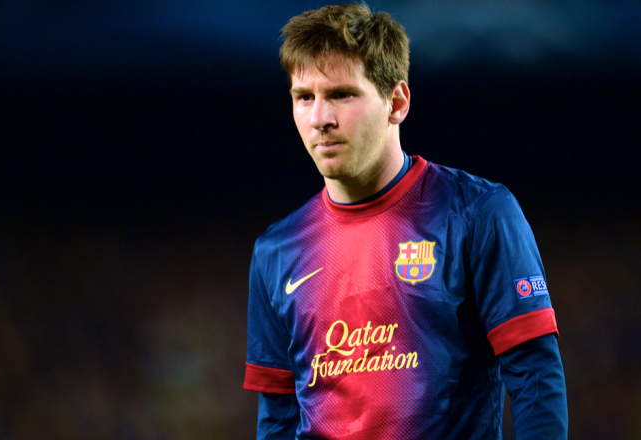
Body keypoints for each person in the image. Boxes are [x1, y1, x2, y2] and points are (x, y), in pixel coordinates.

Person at [243, 3, 568, 439]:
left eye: (342, 95)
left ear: (396, 102)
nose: (320, 119)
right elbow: (279, 417)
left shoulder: (476, 213)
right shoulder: (276, 251)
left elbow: (534, 376)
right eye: (305, 97)